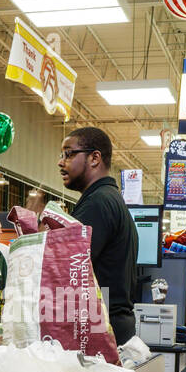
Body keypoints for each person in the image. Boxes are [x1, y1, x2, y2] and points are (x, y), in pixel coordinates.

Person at [61, 127, 138, 343]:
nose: (61, 162)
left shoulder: (98, 203)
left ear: (95, 158)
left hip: (99, 329)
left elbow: (67, 269)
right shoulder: (108, 198)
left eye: (68, 153)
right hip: (110, 325)